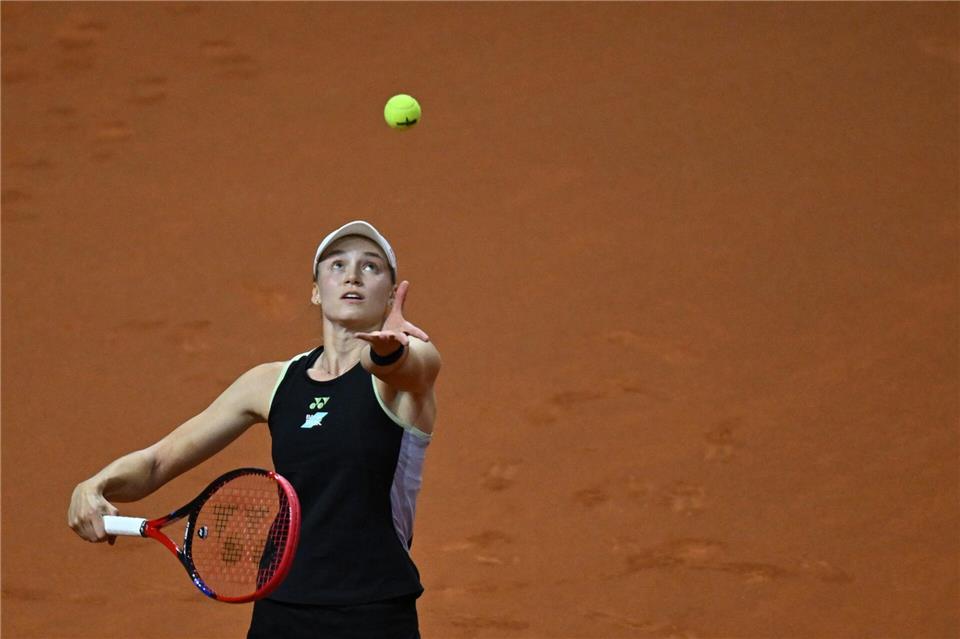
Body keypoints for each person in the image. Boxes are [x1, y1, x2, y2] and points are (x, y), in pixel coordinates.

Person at [67, 220, 440, 639]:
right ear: (315, 290)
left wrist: (390, 351)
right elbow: (158, 461)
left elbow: (412, 368)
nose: (353, 275)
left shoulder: (409, 363)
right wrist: (96, 485)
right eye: (337, 265)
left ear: (391, 294)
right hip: (281, 608)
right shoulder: (271, 383)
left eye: (371, 267)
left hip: (374, 612)